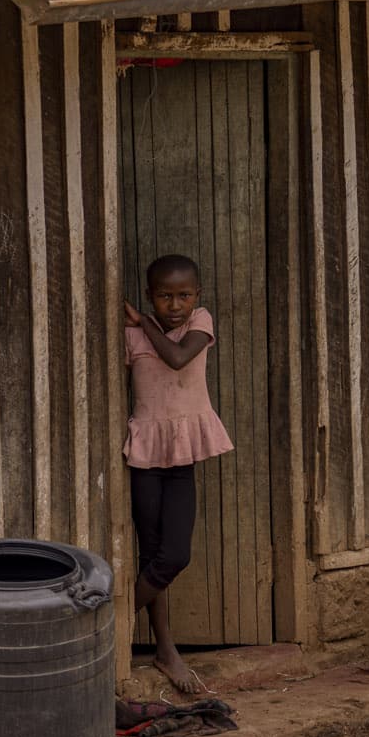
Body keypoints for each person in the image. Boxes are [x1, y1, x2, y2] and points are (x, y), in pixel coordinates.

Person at [122, 254, 233, 694]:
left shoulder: (199, 324)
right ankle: (165, 649)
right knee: (153, 557)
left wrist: (143, 322)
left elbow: (176, 357)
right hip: (146, 457)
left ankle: (112, 622)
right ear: (151, 295)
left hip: (181, 459)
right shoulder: (131, 336)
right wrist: (138, 327)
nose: (175, 305)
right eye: (165, 296)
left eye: (183, 295)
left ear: (197, 297)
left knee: (174, 555)